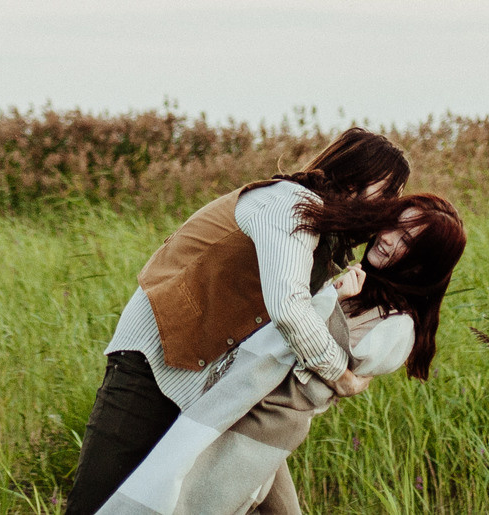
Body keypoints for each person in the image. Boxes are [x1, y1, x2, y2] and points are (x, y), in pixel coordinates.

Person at [60, 129, 411, 515]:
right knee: (98, 503)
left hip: (217, 390)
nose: (387, 208)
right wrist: (341, 376)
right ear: (355, 177)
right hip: (153, 363)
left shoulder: (326, 238)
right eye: (387, 192)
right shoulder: (288, 205)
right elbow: (289, 309)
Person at [88, 194, 468, 515]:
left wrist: (330, 303)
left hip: (264, 424)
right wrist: (332, 303)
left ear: (423, 263)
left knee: (190, 501)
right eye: (393, 227)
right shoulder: (350, 279)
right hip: (241, 404)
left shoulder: (397, 325)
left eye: (407, 240)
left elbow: (308, 356)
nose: (388, 240)